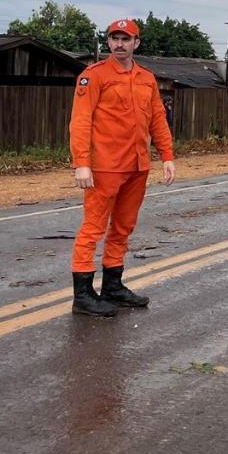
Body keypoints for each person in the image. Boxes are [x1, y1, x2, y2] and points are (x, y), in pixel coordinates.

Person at [68, 18, 176, 317]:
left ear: (136, 43)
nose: (119, 44)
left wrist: (167, 156)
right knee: (93, 228)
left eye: (125, 39)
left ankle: (113, 286)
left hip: (137, 165)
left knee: (123, 227)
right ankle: (83, 295)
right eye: (114, 38)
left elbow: (157, 119)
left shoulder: (146, 78)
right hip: (104, 166)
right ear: (108, 42)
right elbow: (80, 121)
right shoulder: (94, 76)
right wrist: (82, 164)